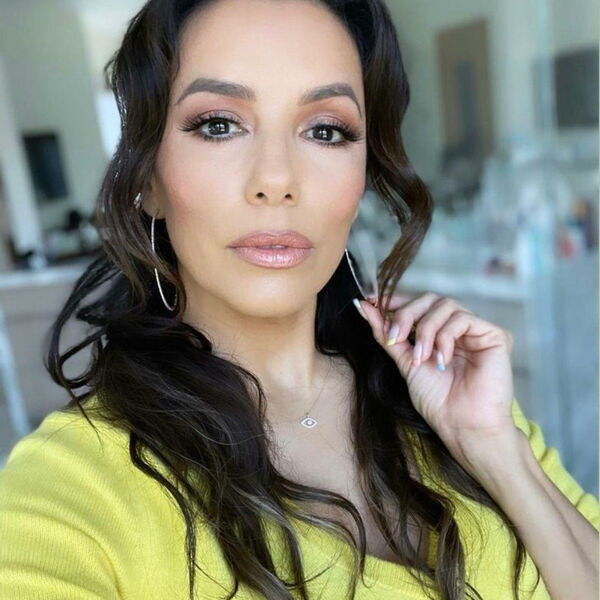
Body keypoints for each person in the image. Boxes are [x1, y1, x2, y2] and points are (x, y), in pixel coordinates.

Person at [0, 0, 598, 599]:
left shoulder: (457, 400)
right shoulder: (69, 490)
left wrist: (497, 452)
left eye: (325, 130)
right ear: (148, 178)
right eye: (218, 125)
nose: (278, 180)